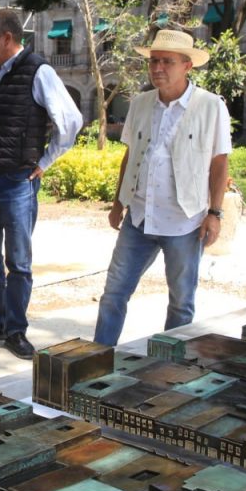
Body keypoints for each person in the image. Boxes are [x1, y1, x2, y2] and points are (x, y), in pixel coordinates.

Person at [93, 29, 231, 347]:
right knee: (114, 292)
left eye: (167, 62)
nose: (158, 68)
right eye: (154, 61)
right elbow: (130, 155)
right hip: (140, 216)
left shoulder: (210, 107)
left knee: (181, 302)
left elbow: (219, 162)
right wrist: (118, 203)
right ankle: (97, 358)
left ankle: (167, 369)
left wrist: (215, 213)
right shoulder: (141, 104)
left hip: (184, 220)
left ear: (187, 66)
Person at [0, 8, 82, 359]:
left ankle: (16, 329)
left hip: (17, 181)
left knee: (18, 261)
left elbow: (71, 121)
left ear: (7, 38)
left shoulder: (39, 71)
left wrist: (43, 163)